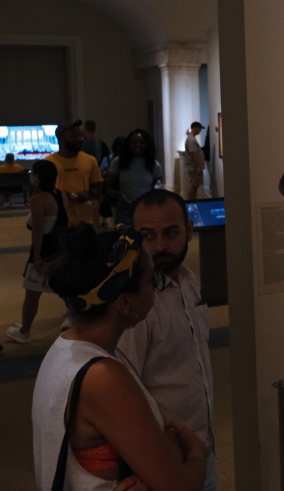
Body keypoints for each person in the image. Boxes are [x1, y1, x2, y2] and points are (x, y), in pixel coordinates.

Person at [32, 224, 207, 491]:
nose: (156, 289)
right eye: (153, 281)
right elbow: (180, 486)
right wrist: (196, 453)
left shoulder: (64, 348)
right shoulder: (103, 376)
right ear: (125, 303)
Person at [119, 189, 218, 490]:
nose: (159, 246)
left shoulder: (189, 281)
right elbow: (123, 395)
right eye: (147, 236)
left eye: (170, 232)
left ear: (189, 231)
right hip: (162, 459)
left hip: (203, 444)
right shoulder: (137, 305)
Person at [6, 161, 68, 345]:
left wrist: (38, 257)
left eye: (33, 172)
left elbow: (38, 230)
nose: (30, 175)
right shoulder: (61, 195)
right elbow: (65, 223)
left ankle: (24, 331)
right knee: (66, 288)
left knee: (32, 293)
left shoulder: (39, 199)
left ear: (38, 178)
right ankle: (74, 321)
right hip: (61, 249)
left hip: (44, 251)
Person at [45, 120, 103, 227]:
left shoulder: (90, 160)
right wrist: (67, 196)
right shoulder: (48, 163)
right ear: (61, 138)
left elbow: (97, 189)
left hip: (86, 222)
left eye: (80, 136)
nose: (79, 140)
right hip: (59, 222)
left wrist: (88, 193)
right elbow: (43, 193)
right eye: (74, 136)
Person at [107, 129, 164, 226]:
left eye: (141, 142)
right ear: (128, 144)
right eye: (134, 142)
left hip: (146, 207)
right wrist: (118, 194)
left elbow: (158, 188)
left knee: (144, 239)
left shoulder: (154, 165)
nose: (137, 145)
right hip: (124, 208)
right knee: (123, 239)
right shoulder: (118, 162)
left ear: (147, 145)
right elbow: (109, 188)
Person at [185, 122, 206, 201]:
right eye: (199, 128)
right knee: (193, 186)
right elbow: (193, 154)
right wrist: (198, 166)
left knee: (195, 186)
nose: (200, 130)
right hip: (194, 168)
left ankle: (193, 202)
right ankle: (191, 203)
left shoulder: (191, 138)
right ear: (195, 128)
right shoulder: (191, 139)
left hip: (194, 167)